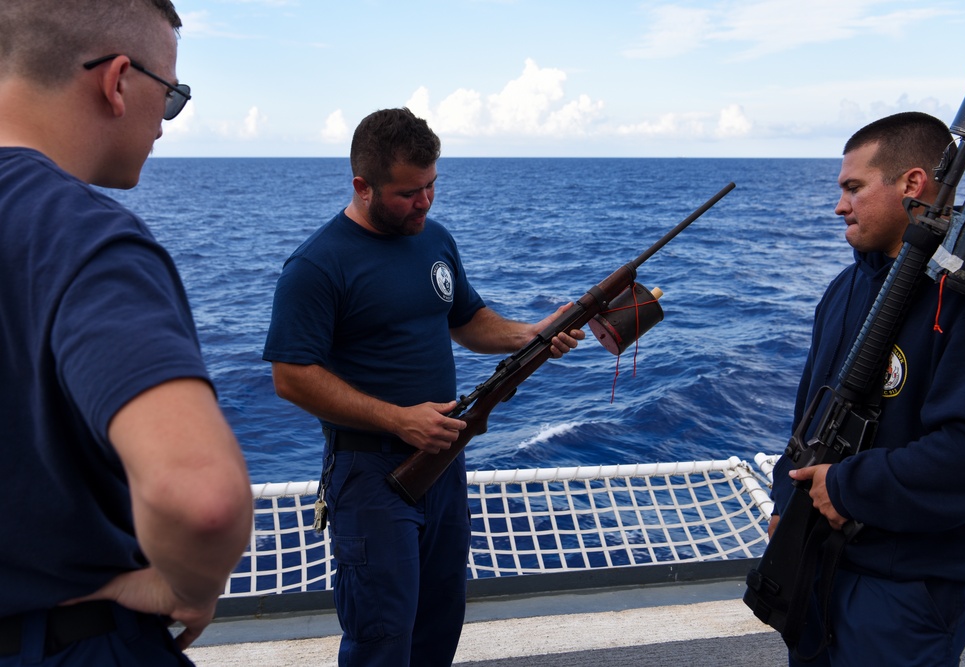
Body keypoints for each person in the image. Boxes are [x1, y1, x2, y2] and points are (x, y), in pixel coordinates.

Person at [263, 107, 583, 666]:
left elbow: (467, 318)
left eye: (433, 185)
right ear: (363, 186)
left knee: (439, 625)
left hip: (442, 466)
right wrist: (397, 418)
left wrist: (529, 334)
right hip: (369, 478)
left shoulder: (434, 239)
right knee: (381, 642)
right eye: (410, 192)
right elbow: (290, 376)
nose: (426, 202)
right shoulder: (317, 265)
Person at [0, 1, 253, 665]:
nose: (164, 128)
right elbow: (201, 497)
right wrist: (185, 585)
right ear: (117, 81)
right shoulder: (79, 235)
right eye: (169, 97)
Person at [768, 111, 965, 666]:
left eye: (853, 187)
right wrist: (784, 500)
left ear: (913, 184)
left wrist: (849, 488)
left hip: (909, 585)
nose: (839, 205)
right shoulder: (844, 289)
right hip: (818, 563)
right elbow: (809, 414)